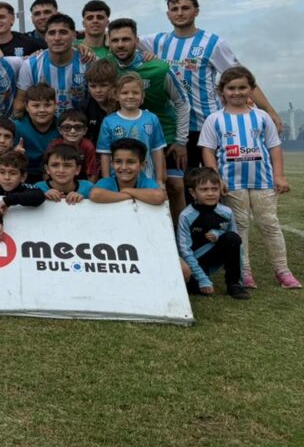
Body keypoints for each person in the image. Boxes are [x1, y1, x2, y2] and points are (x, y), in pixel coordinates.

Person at [142, 0, 283, 173]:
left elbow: (242, 78)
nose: (179, 13)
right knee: (184, 181)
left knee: (217, 178)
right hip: (176, 128)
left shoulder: (214, 43)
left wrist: (269, 110)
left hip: (208, 124)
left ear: (196, 11)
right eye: (174, 9)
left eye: (185, 8)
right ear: (168, 14)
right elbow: (117, 38)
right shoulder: (157, 41)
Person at [198, 66, 299, 289]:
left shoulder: (262, 117)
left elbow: (274, 147)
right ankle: (244, 272)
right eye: (231, 88)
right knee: (239, 226)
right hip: (231, 183)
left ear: (251, 89)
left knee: (269, 223)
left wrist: (279, 176)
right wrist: (216, 180)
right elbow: (208, 151)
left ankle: (283, 271)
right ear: (222, 91)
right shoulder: (214, 119)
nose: (237, 92)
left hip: (262, 181)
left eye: (242, 87)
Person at [107, 17, 190, 213]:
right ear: (109, 42)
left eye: (126, 39)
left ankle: (179, 232)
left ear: (136, 41)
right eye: (115, 40)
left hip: (163, 134)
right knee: (126, 185)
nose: (120, 44)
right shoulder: (107, 67)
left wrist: (181, 141)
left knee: (175, 187)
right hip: (123, 134)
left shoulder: (159, 68)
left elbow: (182, 103)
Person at [177, 167, 250, 299]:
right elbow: (184, 251)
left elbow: (236, 244)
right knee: (194, 290)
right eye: (204, 189)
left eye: (214, 189)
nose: (210, 193)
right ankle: (201, 277)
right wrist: (202, 278)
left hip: (213, 255)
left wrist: (218, 234)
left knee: (233, 238)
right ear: (193, 193)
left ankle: (234, 284)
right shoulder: (186, 216)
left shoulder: (226, 212)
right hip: (194, 260)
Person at [97, 73, 167, 184]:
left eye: (135, 93)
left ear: (142, 95)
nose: (130, 96)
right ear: (116, 95)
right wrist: (106, 181)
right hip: (118, 179)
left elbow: (157, 150)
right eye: (125, 93)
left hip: (146, 177)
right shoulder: (108, 121)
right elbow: (105, 153)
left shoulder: (151, 118)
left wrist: (159, 179)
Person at [15, 13, 88, 115]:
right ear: (45, 37)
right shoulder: (30, 65)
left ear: (74, 35)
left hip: (79, 123)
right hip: (42, 123)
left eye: (63, 32)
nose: (57, 38)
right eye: (52, 33)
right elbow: (20, 101)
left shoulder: (88, 61)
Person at [89, 139, 167, 205]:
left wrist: (127, 190)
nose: (124, 167)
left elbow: (159, 197)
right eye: (118, 161)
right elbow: (94, 194)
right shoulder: (107, 182)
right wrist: (128, 195)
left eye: (131, 162)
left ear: (142, 165)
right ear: (112, 164)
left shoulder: (146, 183)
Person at [13, 82, 60, 179]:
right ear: (26, 106)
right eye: (36, 106)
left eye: (47, 105)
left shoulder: (62, 126)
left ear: (55, 105)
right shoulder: (16, 127)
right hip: (23, 174)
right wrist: (13, 153)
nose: (42, 110)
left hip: (54, 174)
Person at [49, 110, 98, 181]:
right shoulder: (54, 145)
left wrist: (89, 187)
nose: (72, 131)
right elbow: (47, 170)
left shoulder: (88, 146)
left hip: (81, 181)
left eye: (78, 127)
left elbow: (92, 172)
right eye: (67, 127)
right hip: (58, 180)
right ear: (60, 130)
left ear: (85, 131)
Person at [83, 59, 118, 145]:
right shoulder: (84, 107)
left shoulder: (123, 105)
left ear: (114, 85)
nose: (98, 90)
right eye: (93, 86)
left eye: (103, 85)